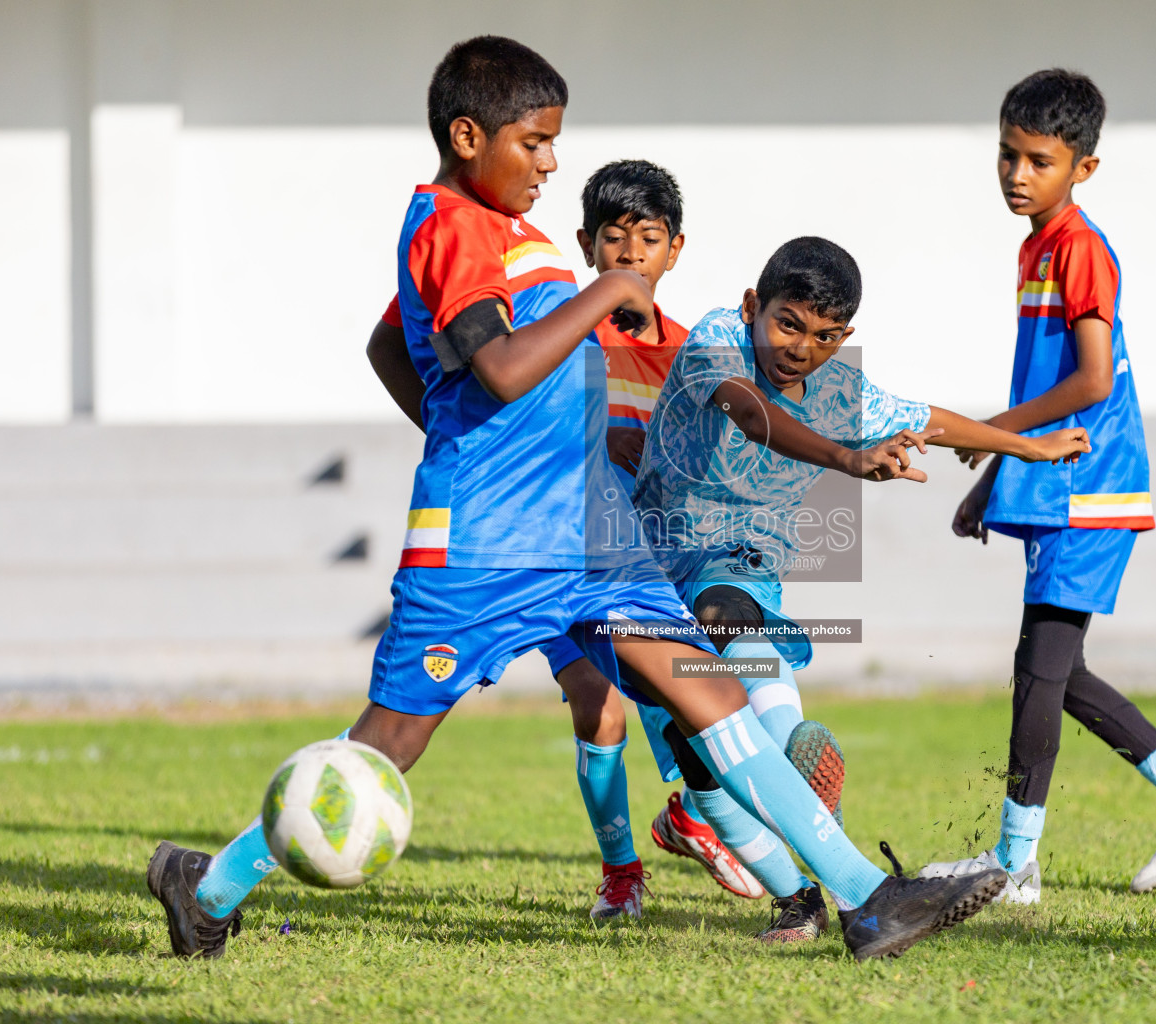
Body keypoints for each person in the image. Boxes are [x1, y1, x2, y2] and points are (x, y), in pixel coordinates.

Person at [146, 35, 1004, 964]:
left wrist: (506, 404)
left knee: (712, 695)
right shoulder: (449, 227)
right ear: (468, 135)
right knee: (388, 741)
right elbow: (501, 368)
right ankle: (212, 887)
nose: (553, 163)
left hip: (591, 538)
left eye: (556, 142)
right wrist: (596, 303)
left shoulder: (507, 230)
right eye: (535, 142)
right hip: (486, 545)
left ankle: (866, 901)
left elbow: (401, 343)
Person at [630, 235, 1092, 941]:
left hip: (731, 566)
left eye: (825, 337)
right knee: (703, 766)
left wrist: (1025, 445)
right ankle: (798, 893)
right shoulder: (717, 340)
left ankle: (813, 801)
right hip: (643, 575)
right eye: (788, 324)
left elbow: (923, 418)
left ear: (844, 336)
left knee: (732, 621)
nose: (802, 348)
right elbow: (752, 413)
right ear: (755, 306)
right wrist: (848, 458)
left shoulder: (838, 389)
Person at [370, 157, 762, 917]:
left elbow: (721, 454)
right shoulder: (537, 299)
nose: (631, 257)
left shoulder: (688, 355)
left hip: (647, 556)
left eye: (648, 241)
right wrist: (483, 443)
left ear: (674, 251)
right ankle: (624, 872)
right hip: (555, 545)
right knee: (600, 703)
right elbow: (400, 344)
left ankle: (712, 821)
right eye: (615, 240)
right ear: (588, 245)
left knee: (708, 691)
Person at [930, 69, 1156, 902]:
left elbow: (1091, 381)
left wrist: (994, 432)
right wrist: (994, 478)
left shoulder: (1078, 247)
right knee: (1056, 673)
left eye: (1038, 160)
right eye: (1006, 155)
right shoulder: (1035, 245)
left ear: (1084, 168)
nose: (1016, 174)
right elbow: (1048, 371)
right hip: (1052, 485)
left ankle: (1015, 866)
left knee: (1041, 669)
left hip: (1090, 486)